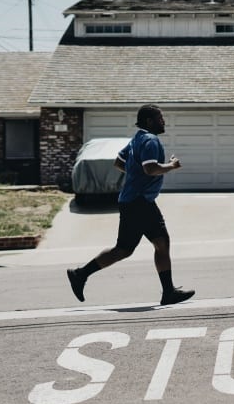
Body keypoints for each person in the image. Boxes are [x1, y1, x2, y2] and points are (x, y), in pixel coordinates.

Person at [67, 104, 195, 306]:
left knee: (126, 249)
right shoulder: (151, 140)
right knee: (159, 243)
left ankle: (80, 274)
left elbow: (119, 163)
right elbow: (151, 169)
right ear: (149, 121)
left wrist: (135, 176)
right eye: (160, 118)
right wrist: (171, 166)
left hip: (134, 200)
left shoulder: (136, 139)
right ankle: (168, 292)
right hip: (140, 202)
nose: (164, 121)